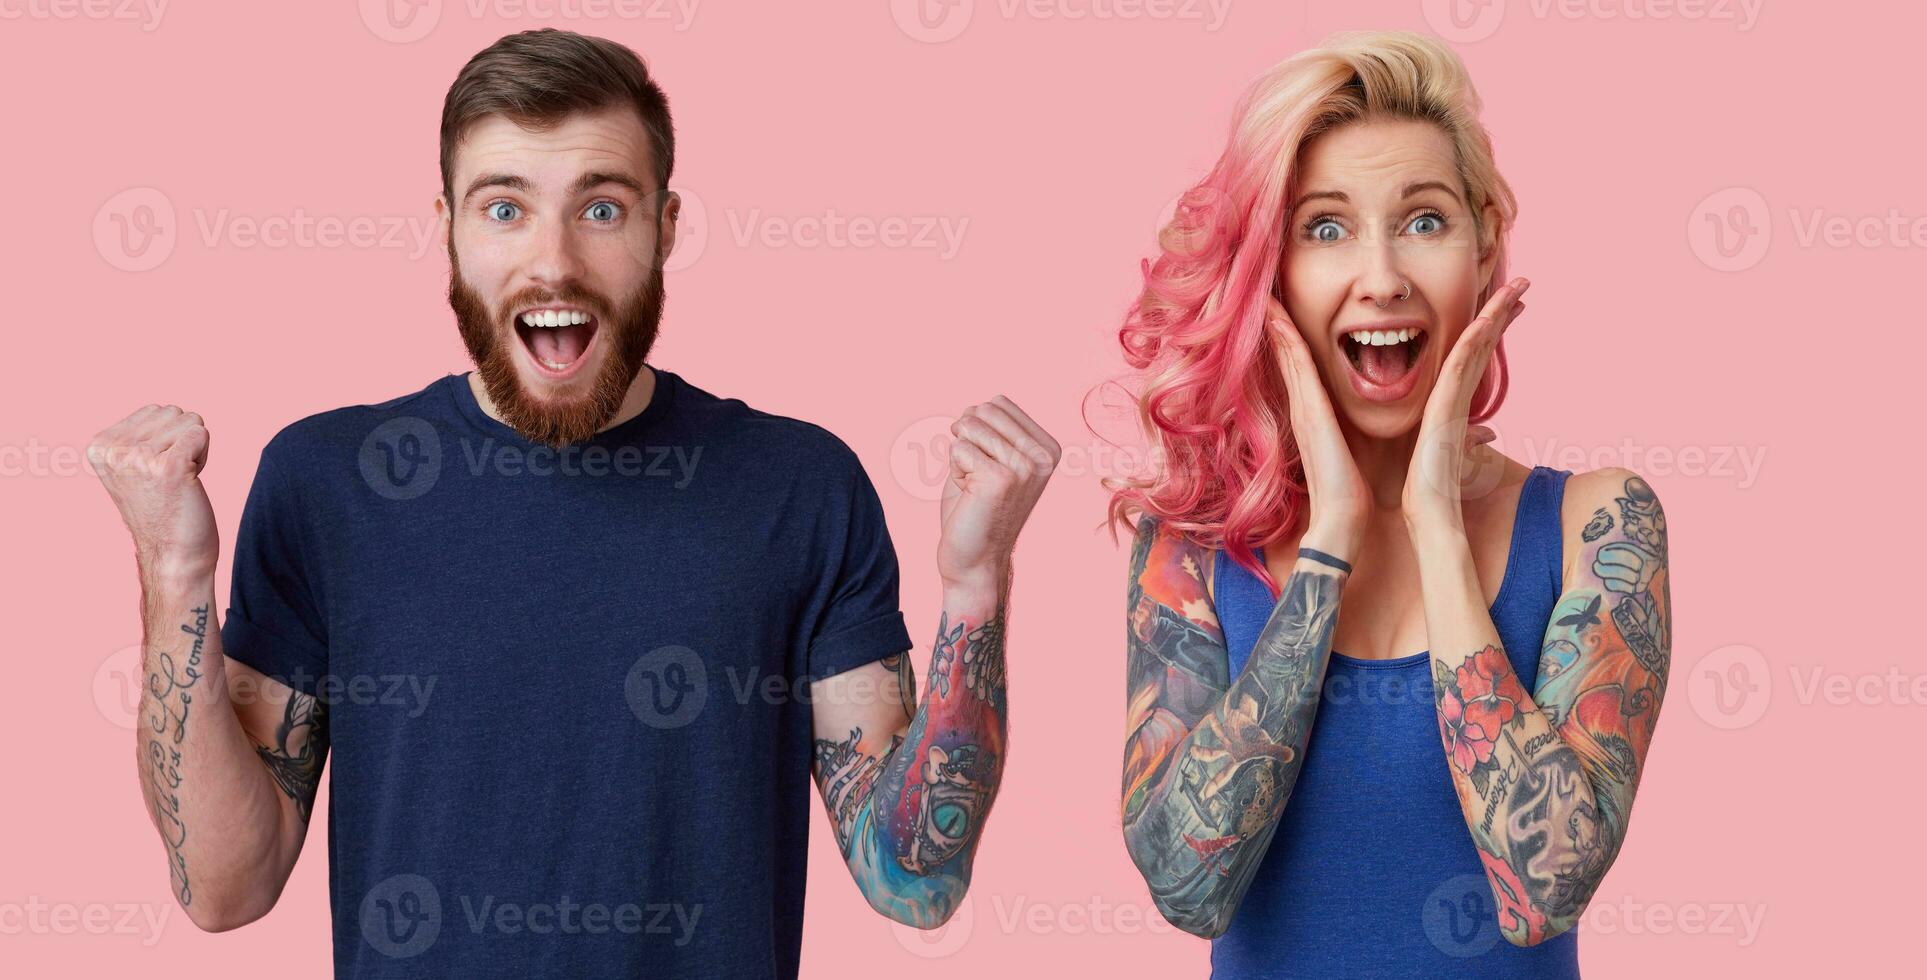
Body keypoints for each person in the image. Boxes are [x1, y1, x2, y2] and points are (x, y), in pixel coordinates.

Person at [86, 28, 1059, 979]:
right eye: (503, 209)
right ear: (447, 230)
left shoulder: (802, 488)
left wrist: (976, 581)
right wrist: (176, 577)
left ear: (664, 228)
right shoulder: (326, 483)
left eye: (601, 209)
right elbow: (223, 885)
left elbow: (913, 882)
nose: (552, 262)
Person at [1111, 31, 1671, 978]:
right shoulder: (1192, 549)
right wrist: (1328, 542)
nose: (1381, 276)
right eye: (1323, 228)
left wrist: (1436, 529)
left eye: (1423, 221)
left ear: (1484, 246)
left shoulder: (1597, 525)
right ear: (1271, 274)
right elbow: (1187, 890)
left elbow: (1541, 895)